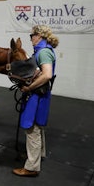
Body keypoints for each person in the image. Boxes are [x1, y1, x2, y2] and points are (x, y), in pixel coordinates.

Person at [13, 25, 59, 177]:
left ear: (39, 35)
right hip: (41, 94)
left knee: (31, 128)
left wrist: (28, 88)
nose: (31, 38)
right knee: (38, 126)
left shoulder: (44, 52)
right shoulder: (43, 50)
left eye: (32, 35)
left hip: (37, 95)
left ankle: (32, 167)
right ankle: (38, 156)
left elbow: (47, 75)